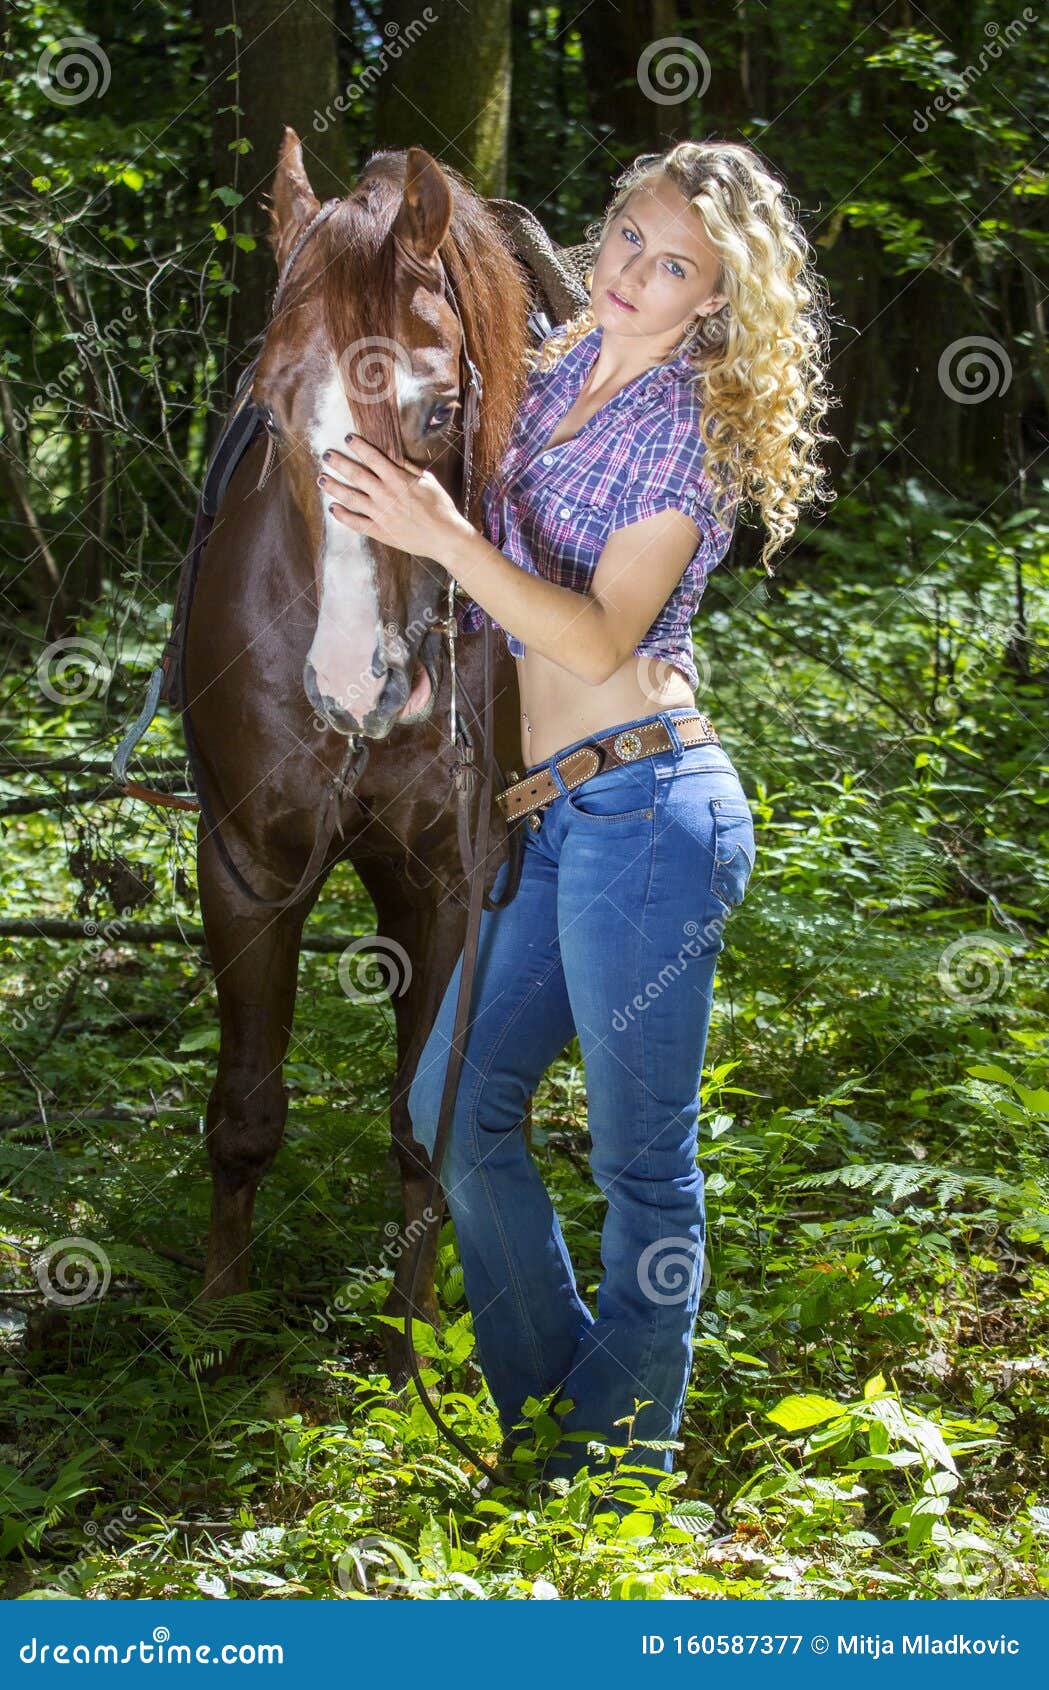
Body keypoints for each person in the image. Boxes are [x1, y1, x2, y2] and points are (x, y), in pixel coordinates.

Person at [318, 139, 835, 1499]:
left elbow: (602, 636)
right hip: (553, 815)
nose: (632, 277)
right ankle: (560, 1426)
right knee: (449, 1104)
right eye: (625, 241)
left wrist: (447, 543)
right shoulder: (548, 372)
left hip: (654, 809)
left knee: (638, 1165)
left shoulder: (685, 424)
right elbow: (477, 561)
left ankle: (604, 1470)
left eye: (674, 268)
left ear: (714, 302)